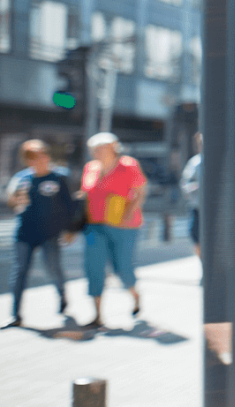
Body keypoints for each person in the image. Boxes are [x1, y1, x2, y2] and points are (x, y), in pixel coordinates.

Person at [0, 140, 77, 329]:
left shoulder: (60, 177)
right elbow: (11, 201)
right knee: (20, 272)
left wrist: (70, 229)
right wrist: (13, 197)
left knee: (53, 268)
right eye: (34, 157)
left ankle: (62, 294)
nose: (40, 159)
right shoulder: (22, 178)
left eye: (42, 154)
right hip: (24, 232)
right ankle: (15, 315)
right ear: (27, 161)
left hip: (50, 234)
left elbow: (71, 204)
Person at [81, 132, 148, 327]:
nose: (96, 152)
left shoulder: (128, 165)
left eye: (101, 148)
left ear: (113, 147)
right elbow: (85, 194)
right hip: (94, 225)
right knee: (94, 267)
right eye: (94, 149)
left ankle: (135, 296)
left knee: (123, 268)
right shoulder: (90, 168)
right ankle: (97, 315)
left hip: (124, 226)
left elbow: (141, 191)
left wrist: (129, 213)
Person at [180, 133, 202, 259]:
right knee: (196, 237)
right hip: (197, 208)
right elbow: (185, 184)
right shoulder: (195, 162)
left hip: (216, 209)